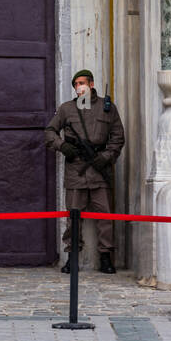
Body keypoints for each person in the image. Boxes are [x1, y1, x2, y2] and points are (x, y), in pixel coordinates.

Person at [44, 68, 125, 274]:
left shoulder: (108, 108)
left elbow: (117, 137)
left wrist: (105, 157)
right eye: (75, 84)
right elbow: (50, 131)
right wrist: (62, 146)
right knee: (73, 216)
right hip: (76, 169)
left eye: (82, 83)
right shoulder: (66, 109)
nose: (78, 87)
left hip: (100, 169)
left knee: (105, 216)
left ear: (91, 84)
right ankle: (72, 258)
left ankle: (106, 257)